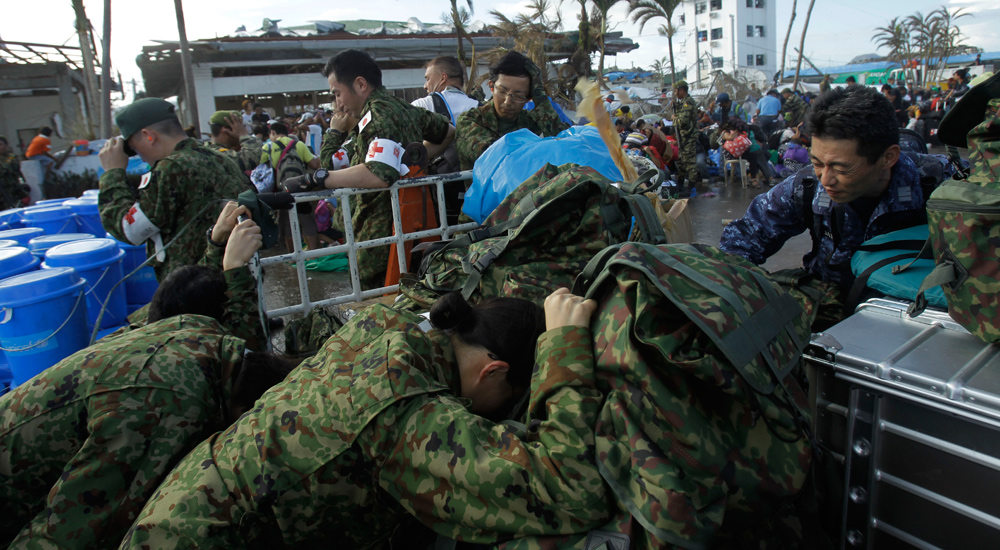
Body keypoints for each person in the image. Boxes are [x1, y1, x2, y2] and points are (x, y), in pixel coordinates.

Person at [122, 288, 608, 548]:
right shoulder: (408, 411)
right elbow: (570, 493)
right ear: (494, 370)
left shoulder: (391, 326)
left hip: (181, 512)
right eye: (508, 400)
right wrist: (564, 352)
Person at [0, 216, 298, 548]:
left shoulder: (187, 337)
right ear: (241, 408)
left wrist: (219, 250)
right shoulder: (171, 399)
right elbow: (74, 529)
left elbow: (220, 316)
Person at [720, 84, 954, 291]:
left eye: (841, 168)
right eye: (817, 163)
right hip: (834, 301)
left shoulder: (945, 183)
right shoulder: (805, 187)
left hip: (919, 306)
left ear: (888, 157)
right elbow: (740, 243)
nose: (826, 179)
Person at [284, 49, 454, 289]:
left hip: (379, 239)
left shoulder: (378, 113)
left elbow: (378, 173)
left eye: (337, 93)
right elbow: (447, 132)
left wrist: (319, 178)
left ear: (360, 84)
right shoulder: (401, 108)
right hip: (400, 231)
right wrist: (411, 164)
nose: (337, 103)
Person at [98, 97, 249, 282]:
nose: (140, 157)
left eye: (135, 149)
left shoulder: (171, 169)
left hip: (193, 288)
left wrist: (113, 174)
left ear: (149, 136)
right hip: (235, 279)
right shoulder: (221, 158)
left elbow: (130, 230)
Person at [455, 51, 569, 171]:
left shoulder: (530, 122)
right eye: (502, 91)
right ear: (491, 87)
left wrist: (540, 98)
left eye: (518, 95)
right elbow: (495, 158)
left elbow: (566, 146)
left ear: (528, 98)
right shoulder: (470, 121)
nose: (508, 102)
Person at [261, 121, 322, 252]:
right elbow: (314, 165)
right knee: (307, 220)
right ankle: (313, 254)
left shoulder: (268, 147)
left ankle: (293, 255)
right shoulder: (299, 144)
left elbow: (262, 170)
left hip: (282, 192)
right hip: (301, 188)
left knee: (286, 223)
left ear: (272, 132)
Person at [411, 56, 479, 124]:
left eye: (428, 79)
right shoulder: (481, 107)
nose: (425, 86)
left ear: (443, 78)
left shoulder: (421, 106)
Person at [205, 110, 263, 177]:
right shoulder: (218, 155)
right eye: (240, 128)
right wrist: (244, 135)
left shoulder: (209, 149)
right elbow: (253, 158)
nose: (245, 130)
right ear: (226, 130)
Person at [672, 79, 702, 189]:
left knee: (689, 162)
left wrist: (674, 119)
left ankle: (691, 185)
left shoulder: (688, 102)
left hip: (688, 137)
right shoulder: (683, 102)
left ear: (682, 90)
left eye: (676, 91)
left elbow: (682, 121)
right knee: (681, 161)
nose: (675, 93)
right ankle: (681, 183)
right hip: (683, 137)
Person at [0, 136, 29, 210]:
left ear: (6, 145)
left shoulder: (11, 158)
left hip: (12, 190)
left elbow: (11, 170)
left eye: (1, 144)